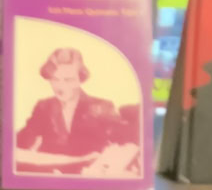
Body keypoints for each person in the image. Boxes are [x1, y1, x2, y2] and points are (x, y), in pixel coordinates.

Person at [13, 46, 139, 178]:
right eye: (55, 79)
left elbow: (126, 141)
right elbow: (22, 140)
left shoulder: (101, 107)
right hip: (50, 177)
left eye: (68, 80)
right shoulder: (44, 107)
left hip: (87, 178)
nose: (60, 87)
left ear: (80, 79)